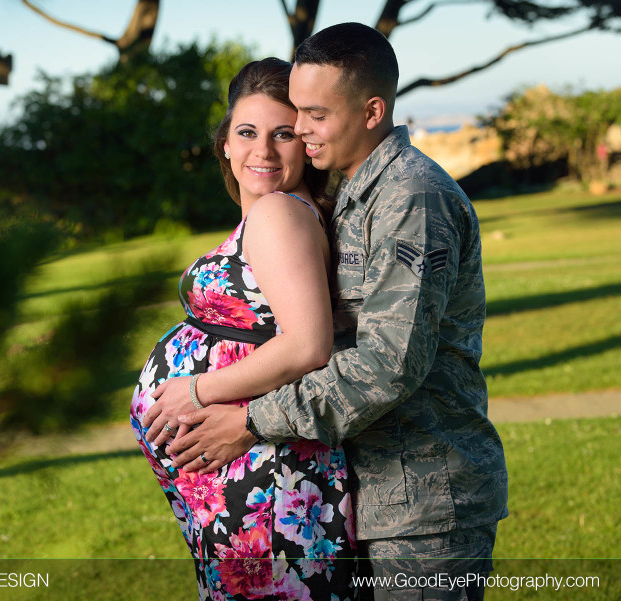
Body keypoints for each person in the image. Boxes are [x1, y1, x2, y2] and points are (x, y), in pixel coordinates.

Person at [168, 23, 509, 601]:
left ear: (373, 110)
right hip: (369, 488)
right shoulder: (356, 194)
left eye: (314, 115)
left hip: (423, 500)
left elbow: (387, 363)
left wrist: (249, 420)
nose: (299, 130)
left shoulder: (412, 199)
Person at [129, 57, 357, 601]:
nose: (264, 150)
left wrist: (196, 389)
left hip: (267, 477)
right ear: (225, 144)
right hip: (245, 477)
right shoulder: (272, 214)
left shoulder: (279, 214)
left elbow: (307, 344)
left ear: (306, 145)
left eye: (284, 134)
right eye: (247, 132)